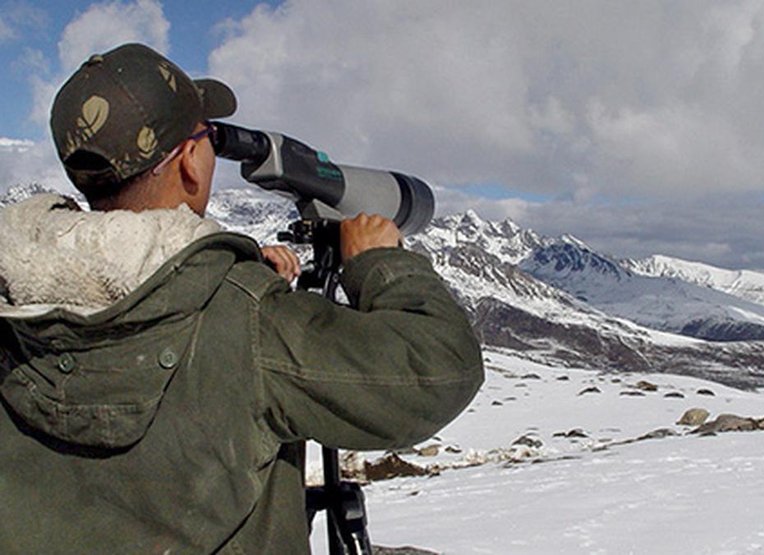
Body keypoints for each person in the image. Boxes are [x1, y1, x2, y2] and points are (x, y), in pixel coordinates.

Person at [0, 43, 483, 554]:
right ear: (190, 163)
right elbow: (439, 368)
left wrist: (240, 280)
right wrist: (377, 261)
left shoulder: (15, 299)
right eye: (207, 137)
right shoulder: (246, 320)